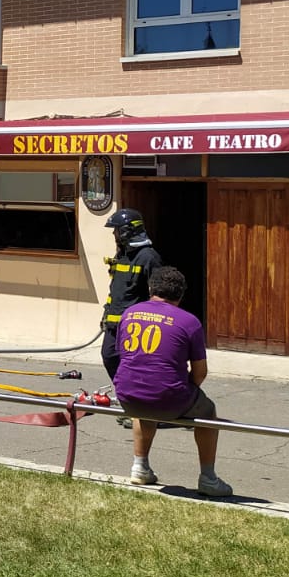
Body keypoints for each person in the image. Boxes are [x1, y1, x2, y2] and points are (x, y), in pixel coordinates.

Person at [112, 266, 232, 498]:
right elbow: (200, 372)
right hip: (168, 397)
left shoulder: (129, 313)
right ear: (181, 294)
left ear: (151, 289)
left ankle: (140, 466)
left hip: (127, 395)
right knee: (208, 411)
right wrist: (185, 391)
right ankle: (208, 478)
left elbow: (123, 356)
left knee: (144, 407)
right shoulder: (189, 322)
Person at [100, 207, 162, 383]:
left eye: (116, 230)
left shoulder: (149, 258)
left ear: (127, 231)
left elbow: (159, 295)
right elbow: (116, 289)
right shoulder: (122, 255)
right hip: (114, 324)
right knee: (109, 356)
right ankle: (124, 390)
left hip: (135, 326)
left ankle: (136, 393)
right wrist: (106, 312)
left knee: (134, 363)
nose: (114, 234)